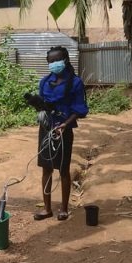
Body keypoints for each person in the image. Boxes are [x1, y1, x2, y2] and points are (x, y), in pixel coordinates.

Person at [32, 46, 89, 221]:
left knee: (63, 169)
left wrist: (65, 124)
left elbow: (80, 109)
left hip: (64, 130)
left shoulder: (75, 83)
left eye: (56, 61)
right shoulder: (44, 82)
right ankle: (47, 208)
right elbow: (43, 104)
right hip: (46, 129)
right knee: (46, 169)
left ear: (64, 60)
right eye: (50, 61)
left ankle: (64, 208)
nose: (53, 64)